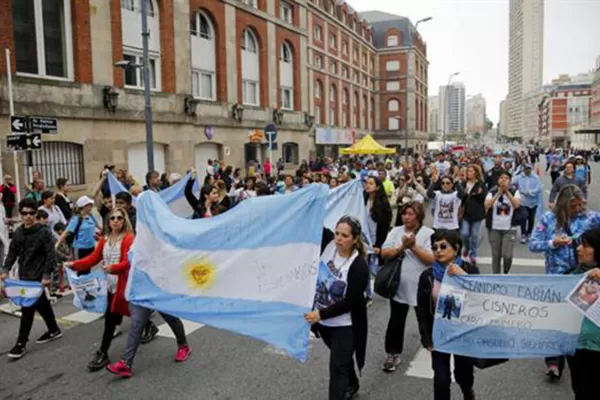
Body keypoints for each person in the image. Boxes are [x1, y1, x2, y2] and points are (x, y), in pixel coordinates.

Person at [529, 184, 596, 379]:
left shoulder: (591, 218)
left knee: (579, 319)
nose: (577, 209)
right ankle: (553, 361)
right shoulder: (549, 219)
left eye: (579, 205)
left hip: (584, 278)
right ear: (563, 205)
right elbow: (534, 244)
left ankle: (579, 356)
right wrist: (552, 243)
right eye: (573, 206)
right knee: (556, 319)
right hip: (556, 278)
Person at [305, 216, 369, 400]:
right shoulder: (329, 244)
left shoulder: (358, 266)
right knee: (342, 359)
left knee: (337, 368)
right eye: (337, 233)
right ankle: (353, 383)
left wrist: (320, 314)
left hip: (344, 325)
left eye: (344, 235)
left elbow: (351, 302)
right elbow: (313, 222)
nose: (339, 239)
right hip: (324, 323)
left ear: (355, 239)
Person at [65, 208, 135, 371]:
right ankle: (103, 352)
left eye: (119, 217)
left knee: (131, 313)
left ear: (124, 221)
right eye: (112, 218)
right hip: (110, 286)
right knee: (112, 318)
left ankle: (103, 351)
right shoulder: (104, 239)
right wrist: (74, 264)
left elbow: (128, 262)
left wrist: (113, 268)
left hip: (125, 284)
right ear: (108, 222)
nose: (116, 221)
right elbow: (93, 258)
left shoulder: (128, 239)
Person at [416, 229, 478, 400]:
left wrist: (463, 276)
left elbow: (481, 298)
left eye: (443, 246)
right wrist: (426, 338)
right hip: (439, 334)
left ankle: (467, 391)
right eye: (434, 247)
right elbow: (421, 309)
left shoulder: (470, 270)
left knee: (463, 375)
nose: (438, 251)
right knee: (441, 379)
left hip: (462, 333)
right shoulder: (427, 276)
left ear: (456, 248)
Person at [1, 198, 61, 359]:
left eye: (31, 213)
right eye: (24, 213)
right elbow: (13, 252)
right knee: (41, 304)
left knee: (27, 308)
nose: (27, 216)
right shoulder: (19, 232)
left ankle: (21, 343)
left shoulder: (43, 232)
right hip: (24, 275)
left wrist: (47, 275)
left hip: (38, 276)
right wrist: (5, 269)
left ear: (36, 213)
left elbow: (50, 255)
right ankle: (54, 329)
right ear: (20, 214)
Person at [380, 202, 434, 372]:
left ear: (418, 216)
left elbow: (432, 259)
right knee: (396, 321)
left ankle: (431, 347)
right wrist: (402, 247)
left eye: (410, 214)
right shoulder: (395, 231)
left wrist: (414, 247)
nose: (406, 217)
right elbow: (384, 252)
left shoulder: (428, 233)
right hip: (399, 286)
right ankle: (392, 353)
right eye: (404, 213)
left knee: (426, 320)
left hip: (421, 287)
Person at [568, 228, 600, 399]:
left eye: (586, 246)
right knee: (581, 391)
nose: (579, 249)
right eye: (579, 244)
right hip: (577, 346)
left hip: (597, 348)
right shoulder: (574, 274)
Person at [484, 171, 521, 274]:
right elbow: (487, 205)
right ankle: (496, 276)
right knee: (496, 255)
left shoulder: (515, 191)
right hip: (494, 228)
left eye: (506, 178)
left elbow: (517, 205)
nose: (503, 180)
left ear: (510, 181)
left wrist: (507, 192)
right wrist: (499, 193)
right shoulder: (492, 191)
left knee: (507, 255)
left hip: (510, 228)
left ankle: (505, 271)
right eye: (501, 178)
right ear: (498, 180)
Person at [459, 165, 487, 263]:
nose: (469, 173)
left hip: (477, 213)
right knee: (465, 234)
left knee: (474, 235)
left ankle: (473, 253)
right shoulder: (463, 183)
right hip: (466, 213)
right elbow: (460, 197)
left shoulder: (480, 184)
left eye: (471, 171)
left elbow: (484, 197)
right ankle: (466, 248)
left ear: (476, 173)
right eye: (468, 171)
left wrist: (479, 194)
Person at [513, 164, 542, 243]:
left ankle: (529, 233)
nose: (527, 170)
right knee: (523, 216)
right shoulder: (519, 177)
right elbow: (511, 182)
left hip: (533, 202)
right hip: (523, 202)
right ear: (523, 169)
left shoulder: (535, 177)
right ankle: (523, 234)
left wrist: (530, 192)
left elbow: (539, 187)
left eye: (529, 169)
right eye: (526, 169)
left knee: (531, 218)